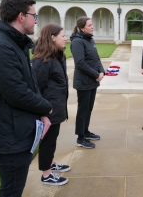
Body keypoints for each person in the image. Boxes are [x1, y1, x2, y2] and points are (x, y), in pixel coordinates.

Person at [0, 0, 53, 196]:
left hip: (19, 129)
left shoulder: (15, 44)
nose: (36, 20)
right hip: (9, 133)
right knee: (11, 190)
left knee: (16, 187)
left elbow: (31, 83)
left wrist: (42, 114)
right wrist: (46, 106)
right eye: (34, 16)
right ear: (21, 16)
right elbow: (16, 92)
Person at [32, 24, 69, 186]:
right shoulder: (43, 60)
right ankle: (46, 174)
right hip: (49, 109)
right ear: (53, 37)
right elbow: (36, 88)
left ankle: (51, 162)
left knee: (52, 139)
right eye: (63, 35)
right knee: (47, 141)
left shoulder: (56, 56)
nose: (65, 38)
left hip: (56, 106)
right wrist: (43, 111)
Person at [70, 16, 104, 149]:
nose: (92, 27)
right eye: (89, 25)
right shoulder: (77, 42)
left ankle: (86, 131)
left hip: (92, 81)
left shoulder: (90, 39)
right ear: (82, 27)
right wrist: (96, 74)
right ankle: (80, 138)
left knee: (88, 108)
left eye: (92, 24)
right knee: (83, 109)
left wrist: (101, 71)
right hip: (84, 81)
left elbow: (96, 57)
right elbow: (80, 63)